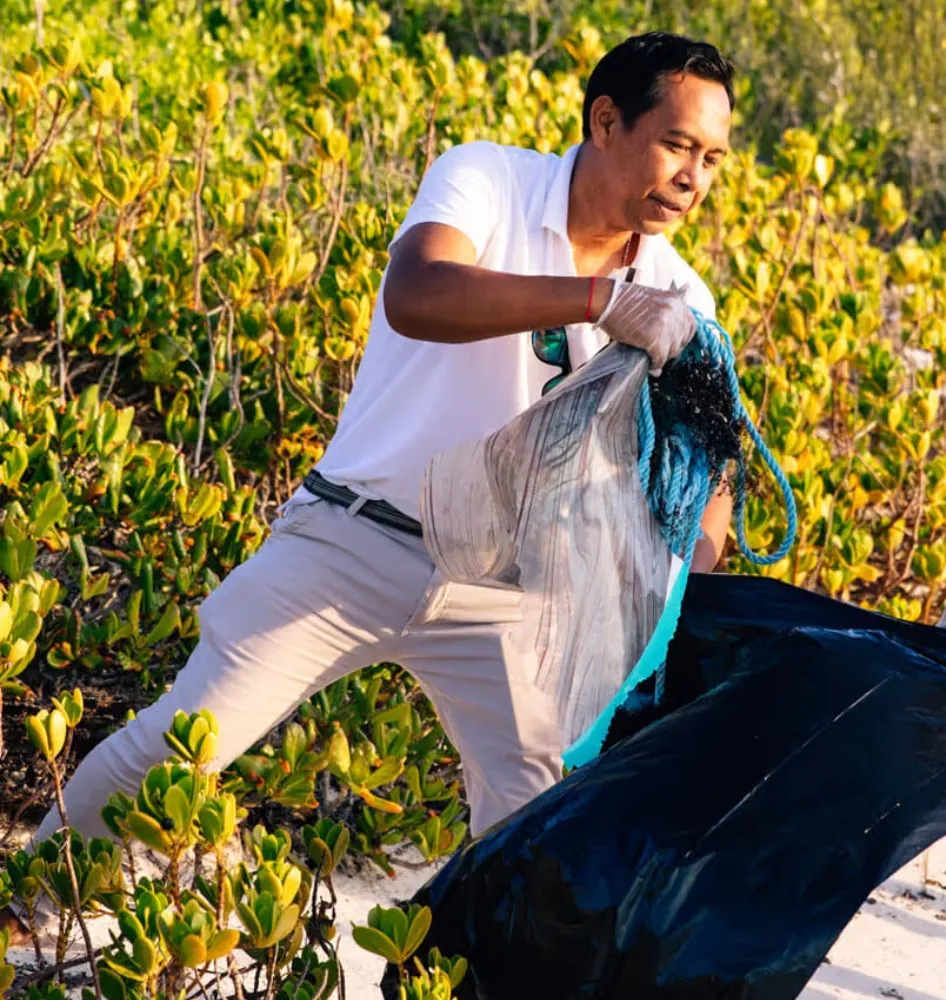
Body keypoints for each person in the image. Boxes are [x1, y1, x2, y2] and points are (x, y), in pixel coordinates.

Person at [25, 32, 736, 861]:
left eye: (713, 159)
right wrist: (599, 300)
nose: (694, 179)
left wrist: (693, 570)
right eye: (678, 145)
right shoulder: (489, 178)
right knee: (184, 744)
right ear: (606, 120)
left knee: (541, 831)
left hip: (508, 596)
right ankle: (24, 911)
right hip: (354, 539)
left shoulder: (683, 292)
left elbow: (707, 461)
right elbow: (419, 292)